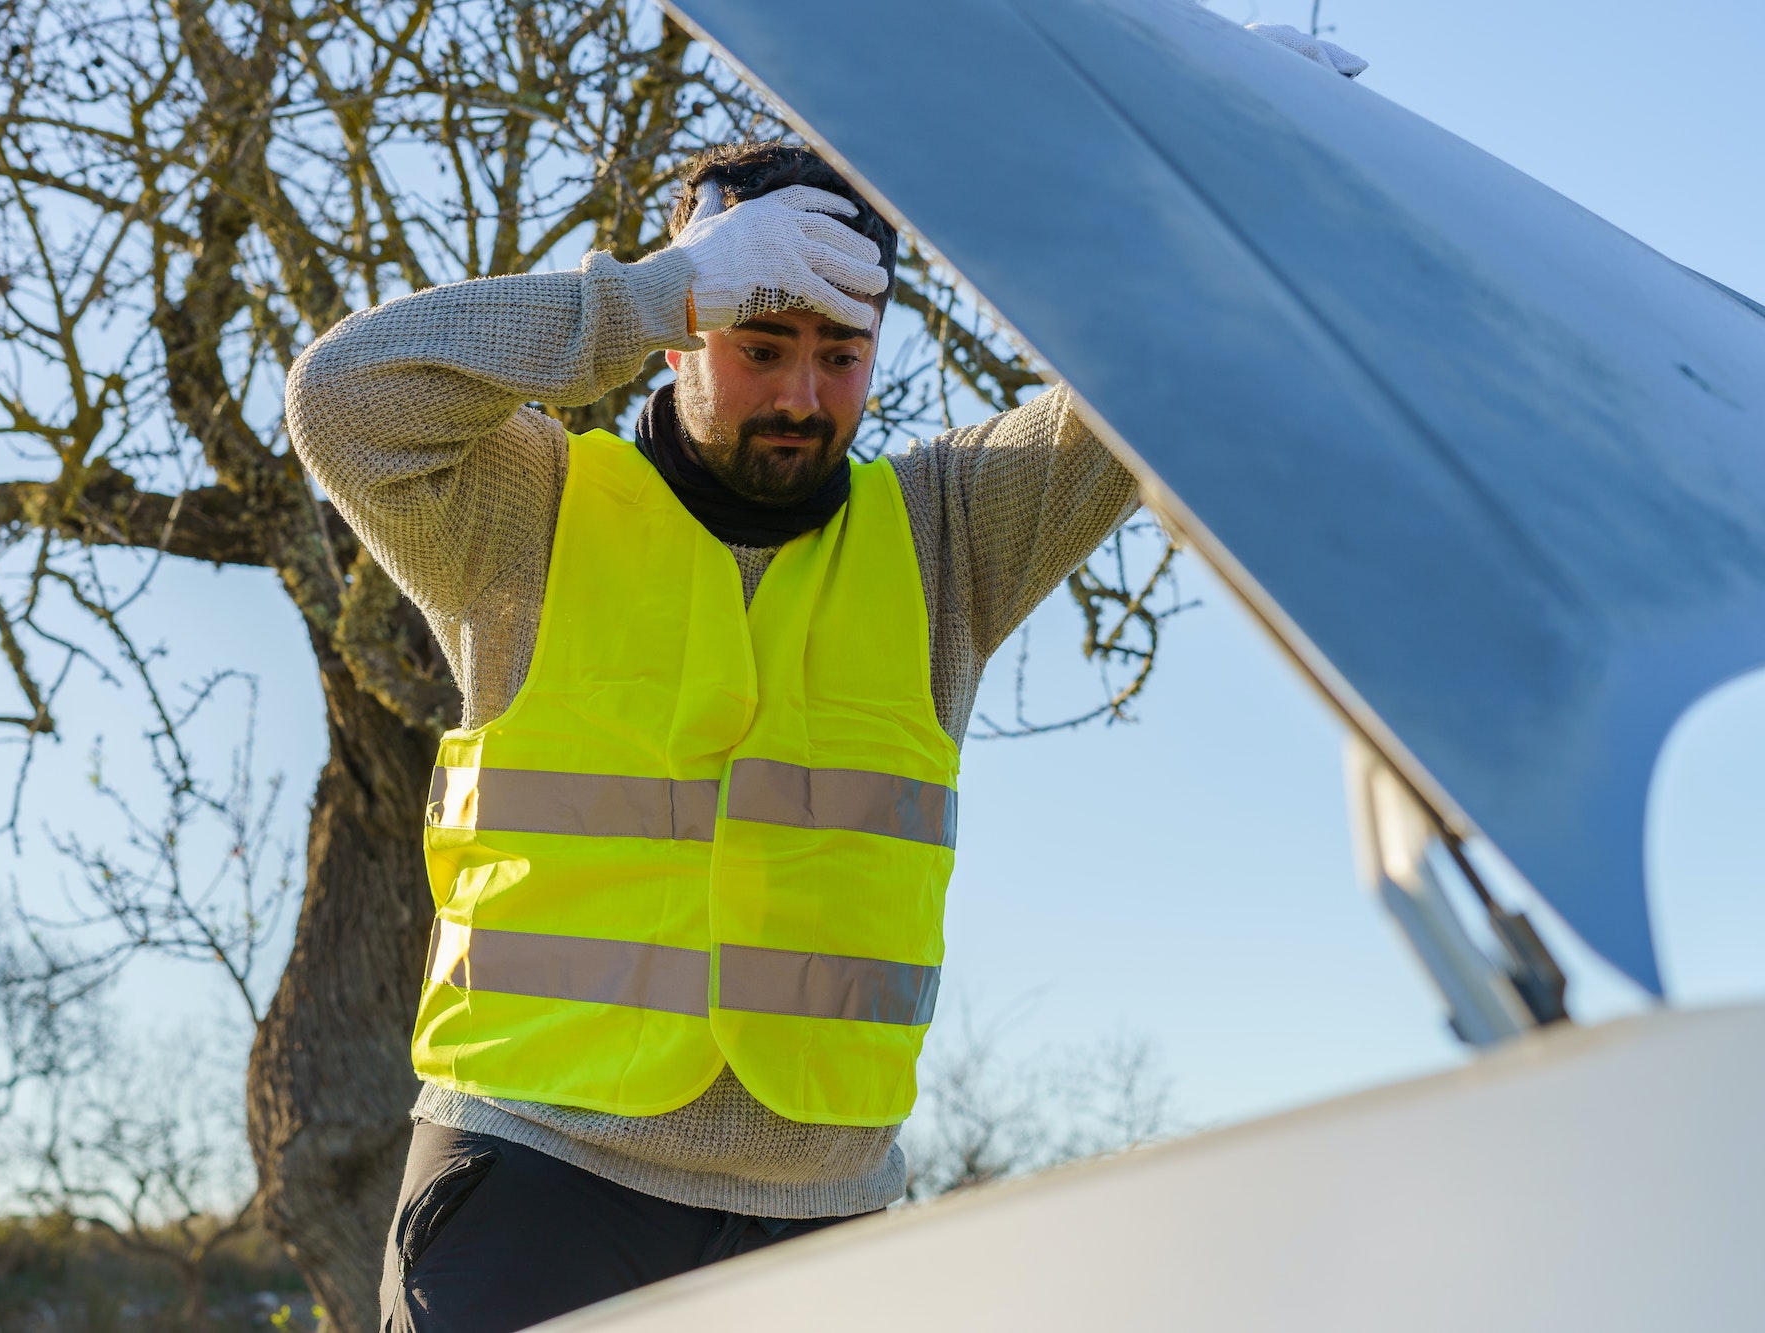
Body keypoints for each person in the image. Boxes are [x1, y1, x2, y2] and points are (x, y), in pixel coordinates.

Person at [287, 34, 1359, 1333]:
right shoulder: (531, 513)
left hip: (824, 1230)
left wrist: (1219, 154)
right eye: (760, 338)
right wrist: (644, 294)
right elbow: (345, 396)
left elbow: (1150, 379)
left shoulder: (951, 536)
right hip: (535, 1189)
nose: (803, 392)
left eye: (841, 352)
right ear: (692, 336)